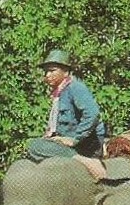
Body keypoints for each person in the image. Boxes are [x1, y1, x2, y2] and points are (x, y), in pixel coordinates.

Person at [26, 49, 107, 180]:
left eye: (52, 71)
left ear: (66, 72)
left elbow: (92, 114)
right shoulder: (59, 93)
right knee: (36, 144)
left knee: (34, 147)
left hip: (84, 143)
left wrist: (75, 138)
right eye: (46, 71)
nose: (47, 75)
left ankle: (85, 161)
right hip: (67, 142)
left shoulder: (75, 88)